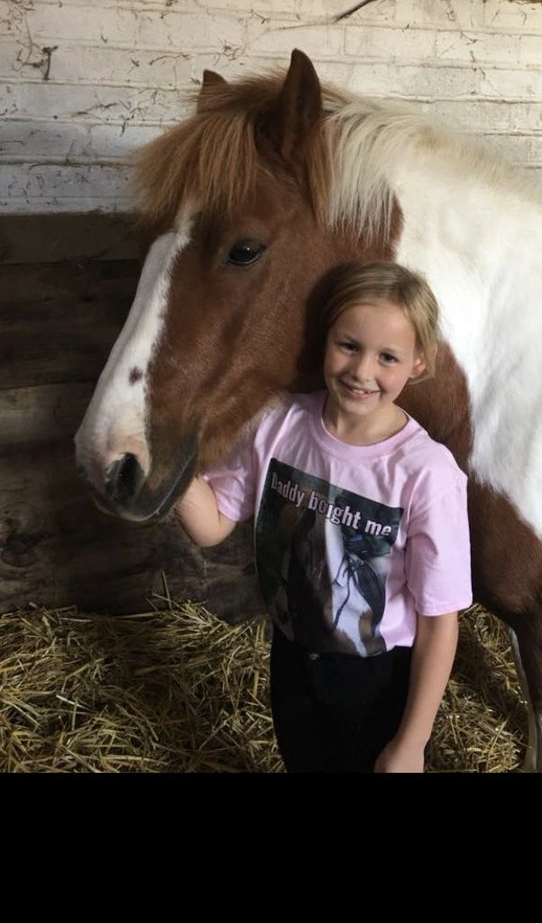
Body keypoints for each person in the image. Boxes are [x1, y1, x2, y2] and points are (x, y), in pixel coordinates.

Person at [176, 261, 472, 773]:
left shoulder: (425, 475)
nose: (362, 372)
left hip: (377, 677)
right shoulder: (277, 424)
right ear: (325, 338)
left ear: (418, 364)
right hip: (292, 658)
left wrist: (412, 743)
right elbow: (211, 525)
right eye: (349, 345)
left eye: (387, 357)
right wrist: (167, 465)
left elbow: (441, 620)